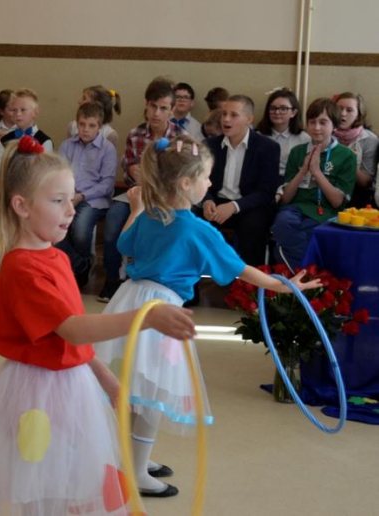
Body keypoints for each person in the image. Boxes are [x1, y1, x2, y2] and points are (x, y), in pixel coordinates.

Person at [0, 135, 197, 515]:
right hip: (36, 390)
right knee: (38, 476)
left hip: (71, 384)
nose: (70, 210)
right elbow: (72, 329)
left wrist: (103, 376)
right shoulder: (23, 268)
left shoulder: (53, 256)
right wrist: (144, 317)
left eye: (71, 199)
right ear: (21, 205)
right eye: (57, 201)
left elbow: (72, 334)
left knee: (66, 472)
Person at [96, 135, 320, 498]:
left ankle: (133, 457)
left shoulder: (152, 213)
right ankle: (136, 472)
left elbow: (123, 246)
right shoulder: (196, 228)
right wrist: (283, 286)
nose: (210, 184)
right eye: (205, 178)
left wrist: (136, 210)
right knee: (151, 392)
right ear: (185, 184)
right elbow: (241, 268)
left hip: (131, 301)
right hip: (161, 311)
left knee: (136, 387)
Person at [99, 78, 181, 303]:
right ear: (146, 105)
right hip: (137, 193)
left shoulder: (179, 139)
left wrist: (151, 176)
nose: (156, 113)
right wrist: (134, 173)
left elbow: (178, 177)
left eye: (163, 108)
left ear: (172, 111)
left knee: (164, 225)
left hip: (166, 197)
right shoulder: (136, 134)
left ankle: (159, 278)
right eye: (153, 107)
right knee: (114, 219)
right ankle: (112, 277)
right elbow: (128, 169)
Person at [272, 98, 357, 268]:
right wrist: (303, 171)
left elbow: (337, 201)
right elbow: (286, 199)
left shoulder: (346, 156)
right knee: (282, 223)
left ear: (334, 126)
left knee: (312, 232)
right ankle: (303, 275)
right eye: (312, 122)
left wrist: (317, 172)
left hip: (326, 210)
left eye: (323, 122)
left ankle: (295, 275)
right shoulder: (297, 152)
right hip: (295, 208)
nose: (316, 128)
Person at [0, 88, 53, 259]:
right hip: (6, 191)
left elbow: (42, 174)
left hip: (31, 194)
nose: (17, 114)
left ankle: (26, 260)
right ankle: (8, 258)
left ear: (35, 113)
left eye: (23, 110)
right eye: (14, 110)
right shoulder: (5, 139)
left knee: (23, 224)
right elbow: (0, 168)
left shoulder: (43, 140)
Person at [202, 95, 280, 267]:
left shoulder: (267, 147)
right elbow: (199, 180)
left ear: (249, 119)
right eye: (224, 114)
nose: (226, 119)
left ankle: (249, 288)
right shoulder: (209, 145)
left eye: (234, 115)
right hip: (217, 202)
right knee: (188, 220)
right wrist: (207, 200)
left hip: (249, 205)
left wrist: (234, 206)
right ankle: (189, 287)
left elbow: (266, 192)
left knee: (253, 226)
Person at [56, 102, 117, 287]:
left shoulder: (107, 149)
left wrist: (81, 196)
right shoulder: (67, 146)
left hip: (94, 200)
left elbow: (107, 184)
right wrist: (67, 197)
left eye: (91, 125)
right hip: (68, 196)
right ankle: (80, 264)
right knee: (52, 226)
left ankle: (77, 268)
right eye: (82, 124)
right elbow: (59, 174)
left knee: (80, 229)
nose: (85, 129)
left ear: (99, 127)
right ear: (77, 123)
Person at [334, 92, 378, 208]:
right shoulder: (326, 133)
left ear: (358, 115)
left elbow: (366, 182)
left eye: (349, 110)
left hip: (356, 193)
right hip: (328, 187)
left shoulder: (369, 139)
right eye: (339, 108)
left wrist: (349, 161)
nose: (343, 114)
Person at [256, 87, 311, 179]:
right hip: (261, 180)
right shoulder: (258, 136)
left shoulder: (304, 139)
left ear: (293, 112)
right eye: (273, 108)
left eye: (283, 108)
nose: (277, 112)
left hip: (291, 181)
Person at [64, 85, 121, 149]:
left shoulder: (109, 134)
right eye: (82, 124)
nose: (79, 101)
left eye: (84, 98)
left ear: (96, 104)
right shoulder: (72, 127)